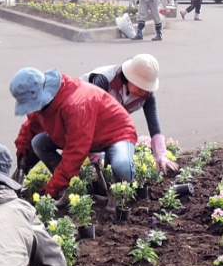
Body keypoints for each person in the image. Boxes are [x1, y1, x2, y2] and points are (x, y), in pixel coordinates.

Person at [11, 67, 139, 197]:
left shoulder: (75, 104)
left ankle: (120, 198)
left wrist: (52, 189)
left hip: (116, 133)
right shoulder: (44, 101)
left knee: (122, 166)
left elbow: (76, 150)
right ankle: (73, 184)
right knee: (38, 143)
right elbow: (32, 125)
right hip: (86, 133)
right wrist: (22, 152)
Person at [86, 55, 178, 173]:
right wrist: (93, 148)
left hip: (111, 125)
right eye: (141, 87)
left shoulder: (147, 95)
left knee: (123, 168)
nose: (144, 91)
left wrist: (161, 155)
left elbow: (154, 126)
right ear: (129, 78)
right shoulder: (103, 81)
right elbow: (89, 116)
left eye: (147, 87)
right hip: (79, 123)